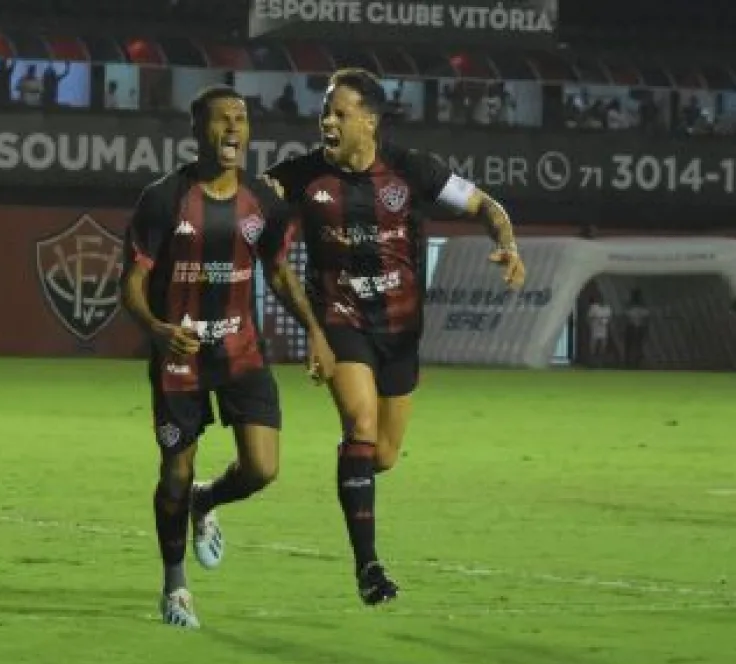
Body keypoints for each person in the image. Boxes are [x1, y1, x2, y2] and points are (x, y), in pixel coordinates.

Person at [267, 68, 527, 605]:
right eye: (325, 111)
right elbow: (245, 201)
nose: (327, 121)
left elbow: (487, 206)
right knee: (360, 423)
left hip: (401, 331)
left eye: (340, 112)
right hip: (340, 318)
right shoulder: (301, 176)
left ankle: (353, 467)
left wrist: (507, 243)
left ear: (370, 120)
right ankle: (368, 568)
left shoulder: (413, 170)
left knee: (381, 454)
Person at [122, 85, 336, 629]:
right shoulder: (163, 199)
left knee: (263, 468)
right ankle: (175, 587)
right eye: (222, 119)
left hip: (241, 351)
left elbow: (280, 273)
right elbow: (132, 283)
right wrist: (156, 329)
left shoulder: (263, 203)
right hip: (180, 356)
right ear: (198, 129)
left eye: (241, 119)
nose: (234, 128)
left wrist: (315, 332)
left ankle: (207, 500)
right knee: (175, 472)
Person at [622, 288, 650, 368]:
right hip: (639, 326)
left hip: (631, 326)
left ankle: (628, 360)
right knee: (638, 344)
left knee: (629, 345)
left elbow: (626, 316)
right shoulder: (642, 307)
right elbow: (646, 317)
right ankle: (637, 359)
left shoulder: (630, 306)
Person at [586, 295, 613, 367]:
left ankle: (600, 361)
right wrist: (593, 322)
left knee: (603, 344)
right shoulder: (594, 307)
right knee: (593, 344)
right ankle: (592, 360)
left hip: (603, 329)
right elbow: (588, 318)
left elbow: (610, 318)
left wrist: (606, 321)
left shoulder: (607, 308)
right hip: (595, 328)